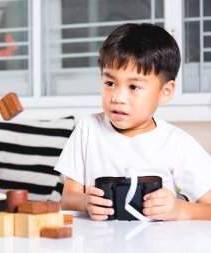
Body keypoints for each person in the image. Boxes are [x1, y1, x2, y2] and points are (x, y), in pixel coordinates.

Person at [54, 23, 211, 221]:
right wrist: (85, 201)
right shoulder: (88, 129)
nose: (118, 97)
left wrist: (179, 210)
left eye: (134, 87)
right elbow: (67, 199)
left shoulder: (176, 142)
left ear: (166, 92)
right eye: (110, 83)